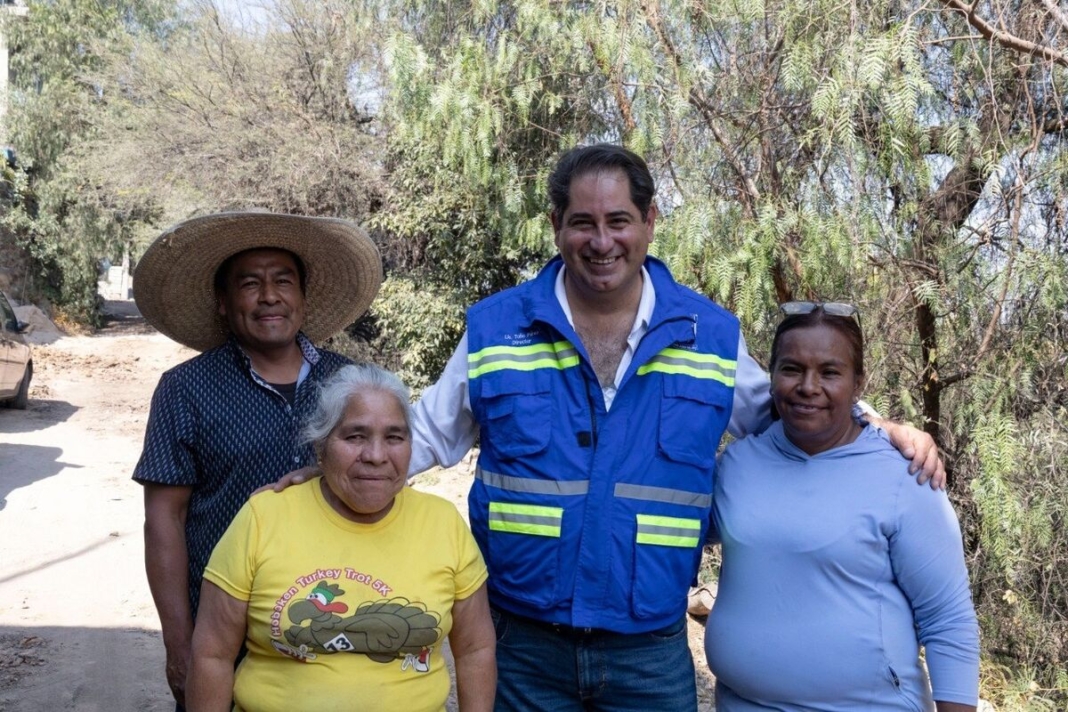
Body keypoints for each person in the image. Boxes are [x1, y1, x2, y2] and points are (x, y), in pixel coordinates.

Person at [276, 144, 944, 711]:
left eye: (619, 220)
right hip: (522, 642)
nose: (602, 242)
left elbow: (795, 410)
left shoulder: (708, 336)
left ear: (651, 222)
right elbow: (426, 432)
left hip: (650, 649)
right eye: (583, 223)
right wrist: (337, 466)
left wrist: (875, 426)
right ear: (556, 226)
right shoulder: (497, 327)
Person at [132, 211, 383, 709]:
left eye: (283, 281)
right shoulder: (186, 389)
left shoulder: (351, 384)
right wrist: (179, 643)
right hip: (225, 636)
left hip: (333, 627)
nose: (269, 296)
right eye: (250, 284)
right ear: (223, 304)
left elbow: (384, 482)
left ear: (303, 298)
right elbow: (164, 518)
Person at [704, 302, 979, 711]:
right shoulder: (738, 466)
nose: (808, 386)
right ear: (772, 376)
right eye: (791, 369)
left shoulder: (905, 478)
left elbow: (949, 621)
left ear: (858, 383)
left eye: (830, 372)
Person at [185, 364, 496, 712]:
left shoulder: (443, 524)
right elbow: (211, 653)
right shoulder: (263, 518)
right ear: (321, 447)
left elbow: (475, 649)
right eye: (355, 437)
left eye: (394, 437)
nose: (376, 456)